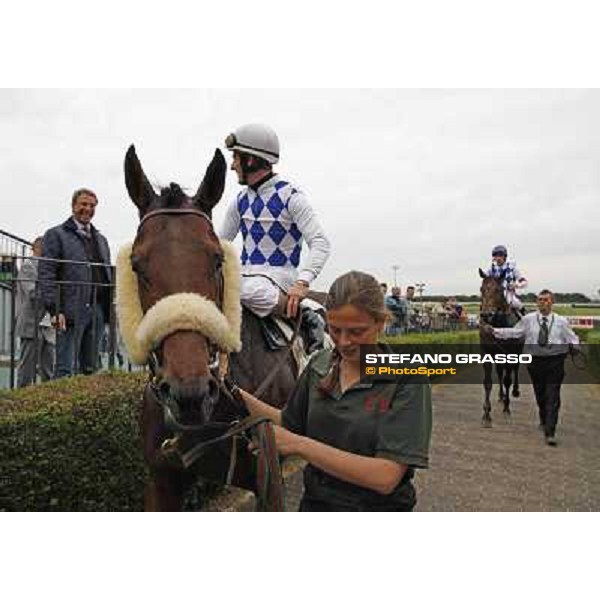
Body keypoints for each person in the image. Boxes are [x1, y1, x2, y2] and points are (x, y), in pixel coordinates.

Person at [234, 271, 432, 511]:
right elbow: (288, 423)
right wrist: (233, 392)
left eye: (357, 332)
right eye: (335, 330)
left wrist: (300, 445)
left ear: (380, 323)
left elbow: (385, 477)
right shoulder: (320, 364)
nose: (344, 342)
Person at [220, 124, 331, 354]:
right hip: (246, 276)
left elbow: (320, 243)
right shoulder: (239, 201)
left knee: (241, 290)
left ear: (251, 160)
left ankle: (306, 312)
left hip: (279, 279)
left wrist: (302, 283)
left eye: (236, 158)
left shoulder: (291, 196)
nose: (232, 165)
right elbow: (220, 244)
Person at [485, 289, 579, 446]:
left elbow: (572, 337)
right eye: (540, 299)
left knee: (553, 394)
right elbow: (515, 332)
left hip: (555, 362)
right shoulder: (528, 319)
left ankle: (550, 431)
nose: (542, 302)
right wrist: (494, 331)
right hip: (535, 362)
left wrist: (575, 346)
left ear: (552, 302)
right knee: (541, 394)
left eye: (545, 299)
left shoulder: (561, 321)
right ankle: (544, 418)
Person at [39, 188, 112, 378]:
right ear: (73, 206)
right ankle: (59, 407)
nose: (87, 209)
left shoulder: (101, 240)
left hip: (97, 310)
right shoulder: (55, 235)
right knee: (65, 368)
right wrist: (55, 309)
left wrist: (109, 311)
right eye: (83, 204)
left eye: (91, 205)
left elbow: (106, 275)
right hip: (70, 311)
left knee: (91, 367)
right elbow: (47, 273)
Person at [14, 237, 55, 386]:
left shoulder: (51, 268)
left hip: (48, 326)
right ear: (37, 248)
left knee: (49, 369)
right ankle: (21, 399)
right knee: (27, 368)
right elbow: (33, 293)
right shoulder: (28, 265)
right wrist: (52, 294)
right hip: (32, 324)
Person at [485, 244, 528, 316]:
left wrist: (516, 285)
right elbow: (485, 279)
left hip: (508, 294)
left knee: (516, 303)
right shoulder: (491, 269)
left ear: (504, 257)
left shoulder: (512, 268)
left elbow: (524, 282)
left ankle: (524, 317)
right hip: (494, 295)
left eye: (500, 256)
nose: (498, 258)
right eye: (496, 256)